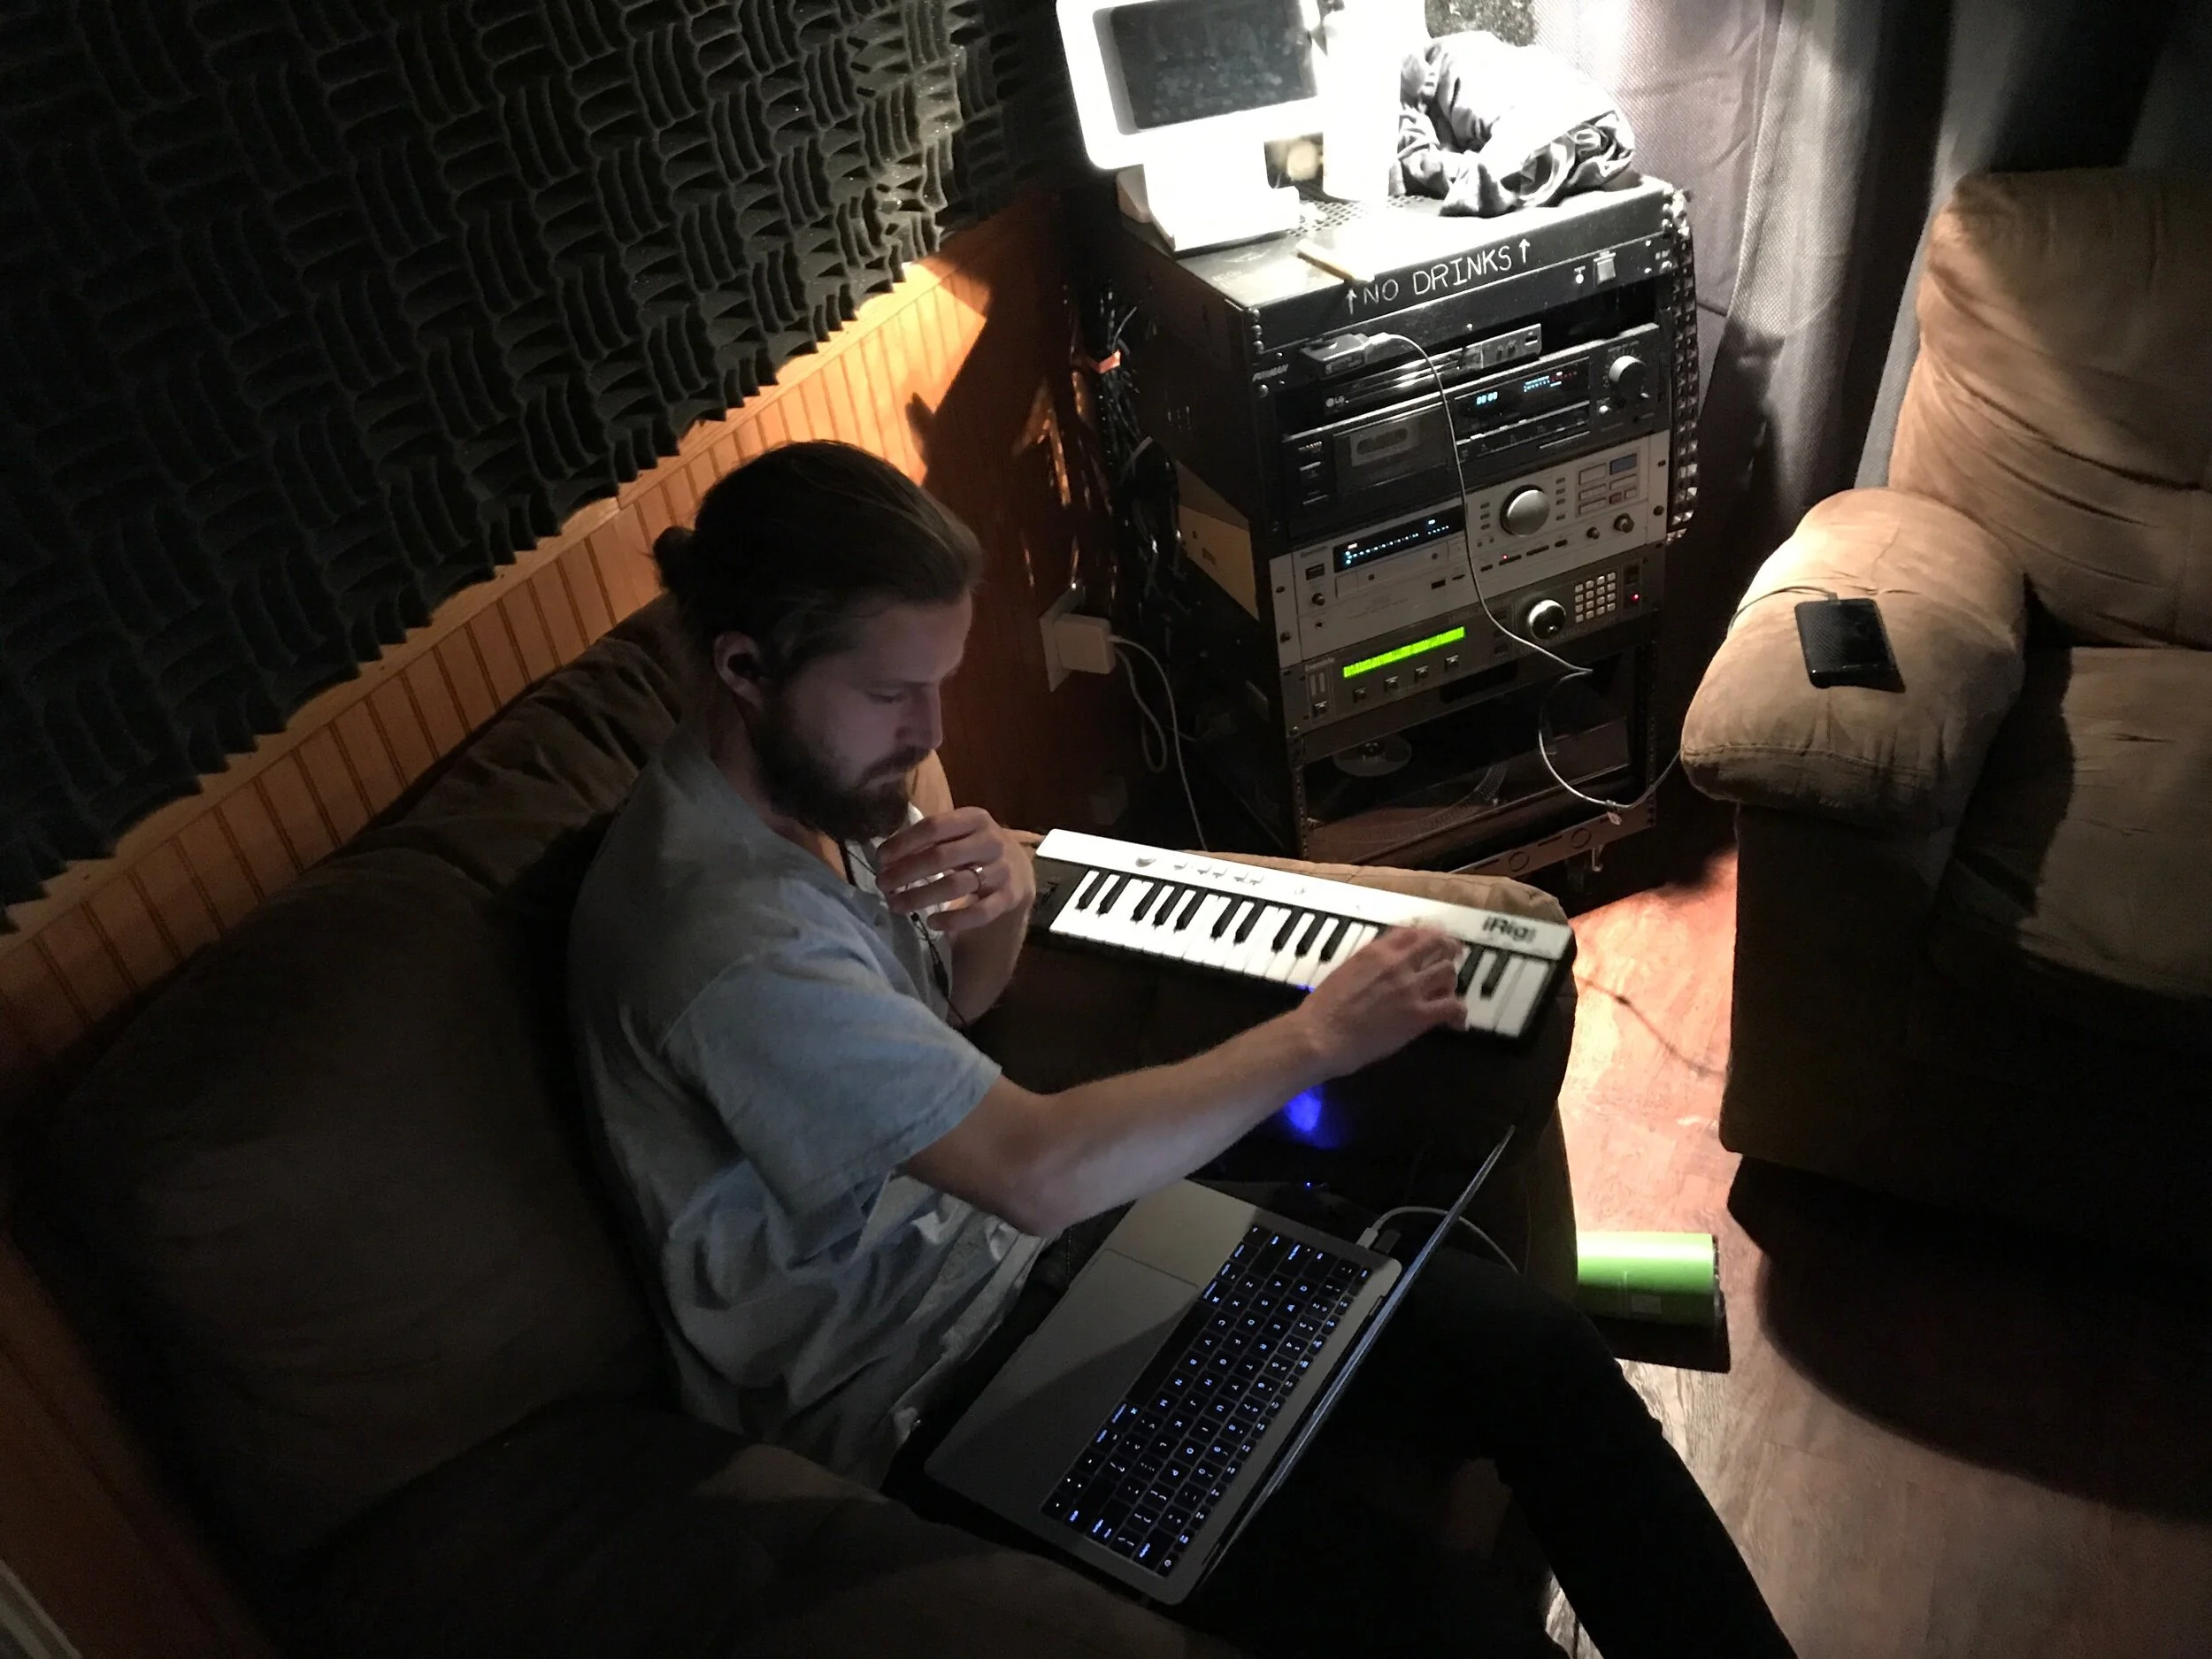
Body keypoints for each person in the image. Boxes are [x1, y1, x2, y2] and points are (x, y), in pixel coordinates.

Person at [568, 440, 1795, 1658]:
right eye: (894, 693)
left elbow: (955, 1024)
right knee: (1455, 1635)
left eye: (940, 681)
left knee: (1539, 1352)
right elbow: (1030, 1168)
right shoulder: (724, 941)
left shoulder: (826, 787)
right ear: (745, 668)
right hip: (923, 1388)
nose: (929, 730)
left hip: (1043, 1259)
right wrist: (1320, 1033)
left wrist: (1000, 909)